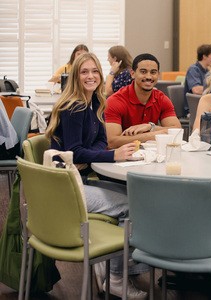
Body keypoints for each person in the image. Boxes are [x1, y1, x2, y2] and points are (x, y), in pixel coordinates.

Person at [45, 52, 148, 299]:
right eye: (84, 72)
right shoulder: (74, 107)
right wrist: (115, 156)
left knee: (136, 197)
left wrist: (110, 150)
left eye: (94, 71)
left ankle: (116, 263)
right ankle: (116, 277)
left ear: (101, 75)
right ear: (75, 77)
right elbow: (77, 152)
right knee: (132, 205)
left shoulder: (93, 104)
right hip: (66, 188)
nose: (90, 76)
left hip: (75, 181)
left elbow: (100, 141)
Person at [104, 53, 181, 149]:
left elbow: (177, 131)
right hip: (121, 159)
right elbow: (112, 142)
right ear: (132, 74)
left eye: (153, 72)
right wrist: (154, 134)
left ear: (158, 75)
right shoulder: (115, 101)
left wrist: (150, 127)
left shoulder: (162, 99)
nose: (149, 77)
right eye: (143, 72)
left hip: (151, 156)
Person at [183, 44, 211, 115]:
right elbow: (196, 90)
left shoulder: (208, 71)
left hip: (207, 105)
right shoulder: (193, 69)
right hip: (194, 109)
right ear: (204, 56)